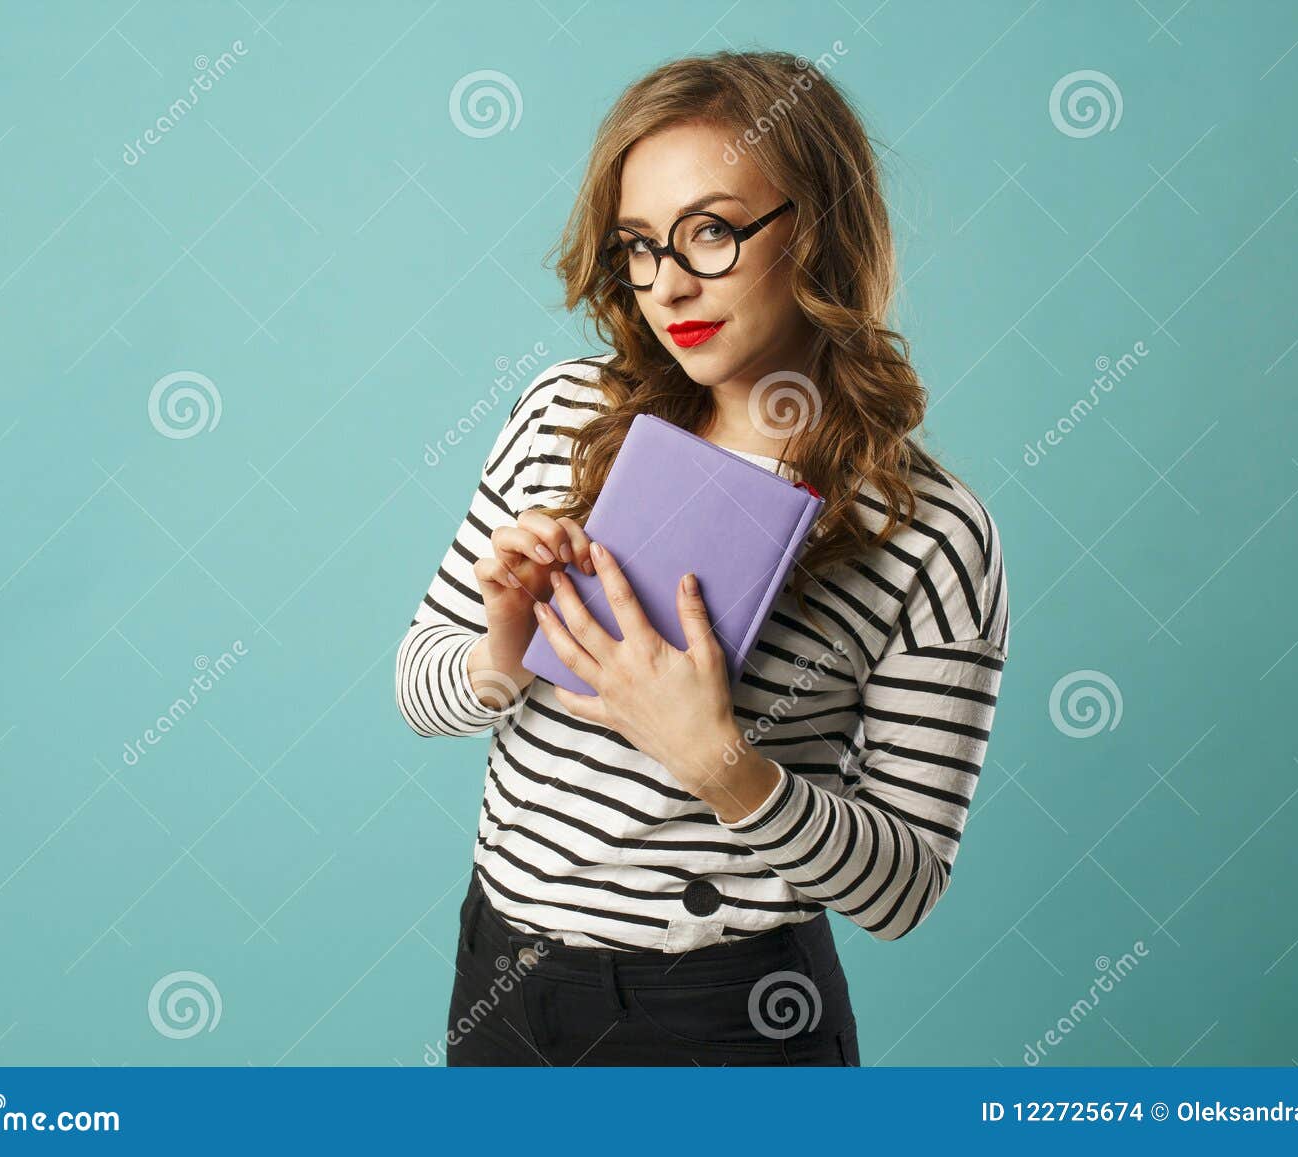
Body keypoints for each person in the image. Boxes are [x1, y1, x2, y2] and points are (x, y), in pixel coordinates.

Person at [395, 48, 1009, 1066]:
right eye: (638, 245)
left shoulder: (930, 530)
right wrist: (498, 650)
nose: (666, 282)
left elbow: (903, 890)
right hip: (504, 977)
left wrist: (721, 765)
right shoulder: (563, 415)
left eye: (711, 231)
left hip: (731, 1014)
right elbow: (420, 693)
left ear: (814, 228)